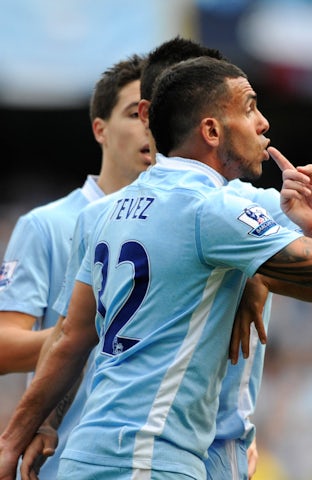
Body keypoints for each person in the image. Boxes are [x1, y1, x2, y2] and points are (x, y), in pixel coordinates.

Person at [0, 56, 312, 480]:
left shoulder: (101, 214)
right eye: (250, 107)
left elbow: (73, 337)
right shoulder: (212, 209)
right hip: (151, 458)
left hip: (84, 456)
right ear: (212, 131)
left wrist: (18, 437)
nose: (263, 122)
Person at [0, 53, 150, 479]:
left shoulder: (182, 225)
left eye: (157, 115)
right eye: (134, 113)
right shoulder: (47, 225)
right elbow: (3, 345)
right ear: (99, 129)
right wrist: (82, 332)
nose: (150, 127)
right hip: (64, 462)